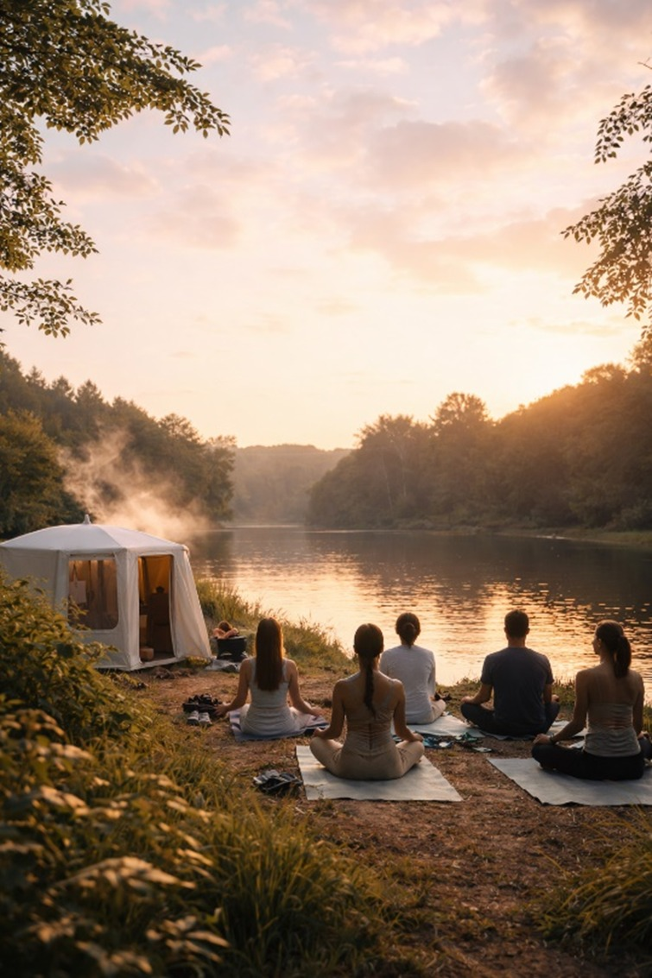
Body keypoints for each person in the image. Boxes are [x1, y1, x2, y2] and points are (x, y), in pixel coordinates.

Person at [532, 620, 652, 780]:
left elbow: (578, 724)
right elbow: (637, 726)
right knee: (644, 742)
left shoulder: (585, 676)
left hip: (596, 765)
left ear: (600, 642)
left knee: (540, 750)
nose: (592, 641)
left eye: (594, 638)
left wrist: (551, 739)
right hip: (632, 767)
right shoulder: (636, 678)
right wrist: (632, 735)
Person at [310, 623, 424, 780]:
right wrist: (415, 737)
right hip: (389, 767)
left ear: (355, 649)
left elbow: (335, 732)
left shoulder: (342, 687)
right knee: (417, 745)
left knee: (316, 742)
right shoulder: (396, 687)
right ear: (382, 648)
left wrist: (320, 733)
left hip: (350, 767)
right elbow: (401, 731)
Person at [460, 609, 559, 736]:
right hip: (537, 727)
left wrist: (469, 699)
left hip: (502, 726)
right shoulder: (542, 660)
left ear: (505, 630)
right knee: (554, 704)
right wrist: (553, 698)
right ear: (527, 631)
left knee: (466, 707)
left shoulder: (492, 659)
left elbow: (484, 697)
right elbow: (547, 699)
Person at [215, 617, 320, 736]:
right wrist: (312, 712)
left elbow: (240, 701)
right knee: (306, 706)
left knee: (244, 708)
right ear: (279, 638)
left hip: (253, 727)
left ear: (258, 639)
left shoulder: (246, 665)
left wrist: (226, 707)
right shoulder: (290, 666)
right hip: (285, 726)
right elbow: (296, 703)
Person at [380, 612, 446, 724]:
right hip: (423, 716)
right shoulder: (428, 655)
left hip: (395, 717)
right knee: (442, 703)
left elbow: (382, 689)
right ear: (418, 632)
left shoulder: (387, 655)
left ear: (397, 631)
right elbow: (431, 691)